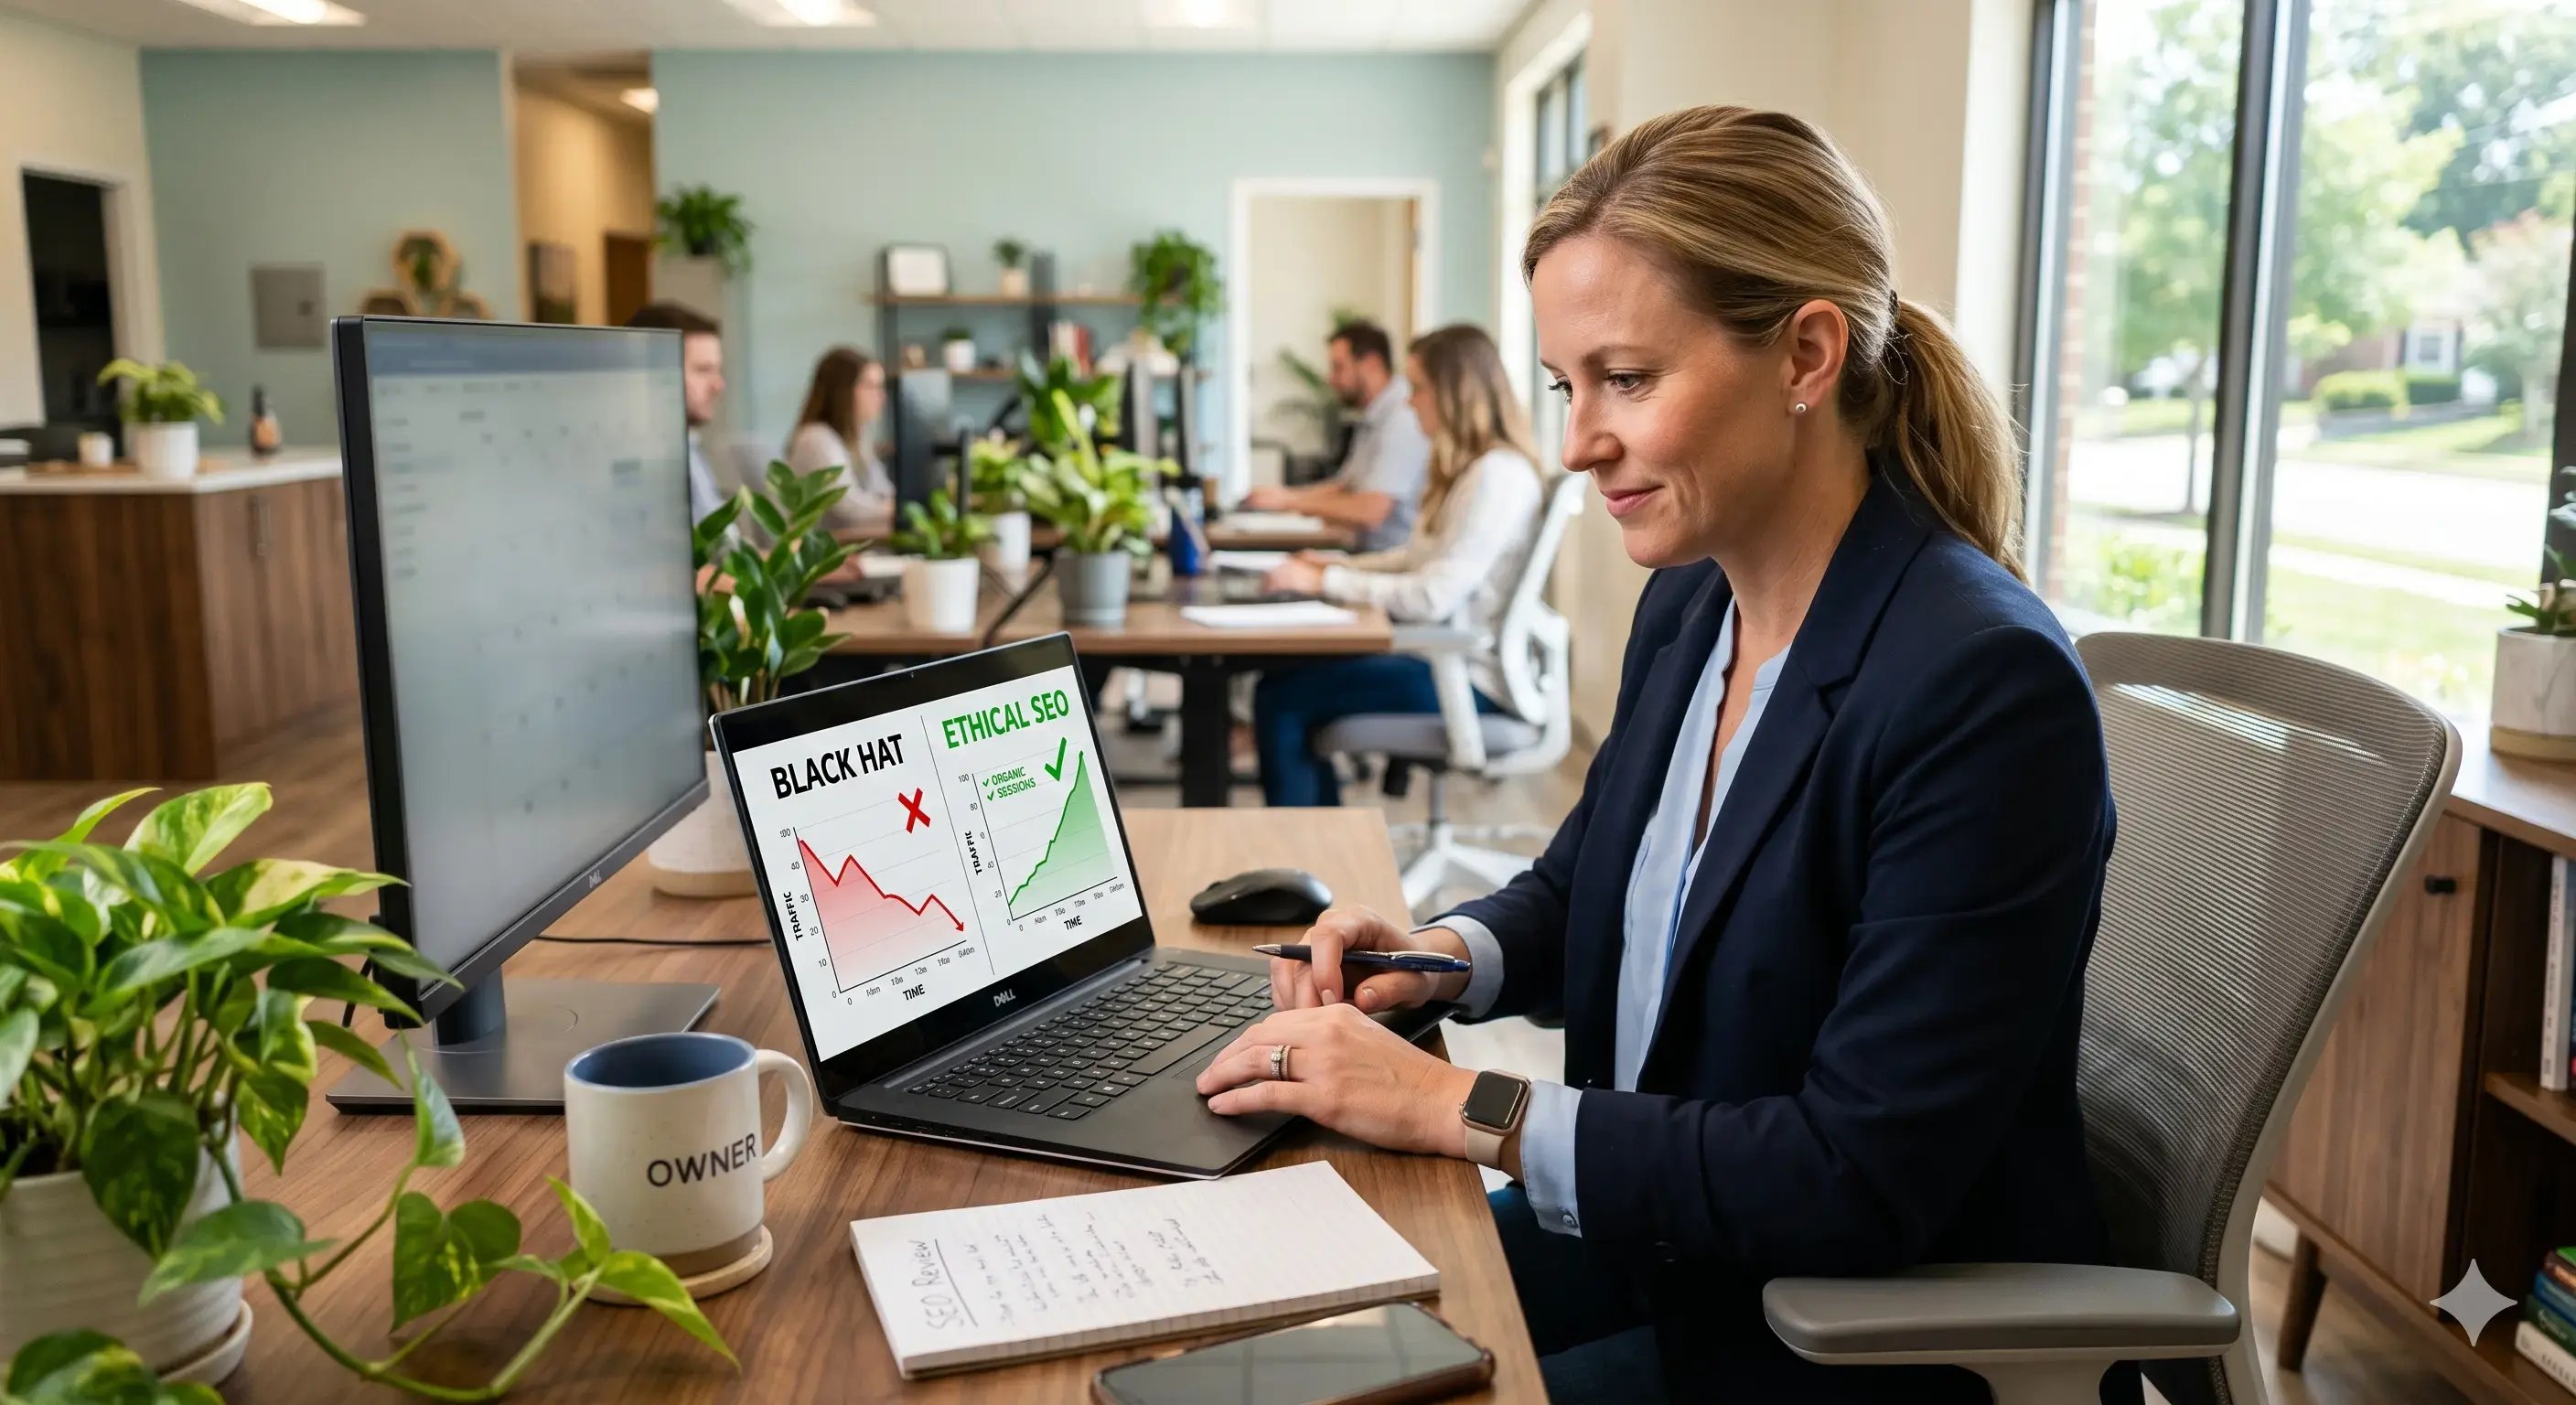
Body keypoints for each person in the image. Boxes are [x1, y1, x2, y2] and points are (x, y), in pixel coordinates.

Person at [1197, 106, 2133, 1405]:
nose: (1578, 442)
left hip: (1835, 1332)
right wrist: (1436, 964)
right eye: (1567, 387)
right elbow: (1590, 887)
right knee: (1241, 1362)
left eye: (1626, 380)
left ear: (1806, 354)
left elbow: (1854, 1177)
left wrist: (1452, 1111)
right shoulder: (1696, 601)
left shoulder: (1981, 687)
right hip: (1676, 1240)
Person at [1249, 325, 1547, 807]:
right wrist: (1334, 568)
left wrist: (1329, 580)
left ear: (1454, 393)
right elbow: (1416, 561)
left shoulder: (1497, 477)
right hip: (1445, 661)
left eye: (1419, 389)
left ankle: (1306, 860)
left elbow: (1433, 596)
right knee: (1287, 679)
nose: (1409, 404)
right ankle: (1316, 857)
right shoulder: (1473, 470)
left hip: (1469, 681)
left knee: (1282, 698)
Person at [1240, 320, 1430, 552]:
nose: (1331, 379)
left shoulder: (1403, 418)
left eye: (1339, 367)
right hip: (1364, 553)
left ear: (1371, 365)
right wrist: (1283, 496)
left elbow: (1371, 510)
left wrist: (1290, 501)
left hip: (1388, 559)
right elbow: (1346, 486)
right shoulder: (1374, 415)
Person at [625, 302, 727, 524]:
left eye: (717, 370)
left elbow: (723, 547)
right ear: (651, 373)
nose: (718, 385)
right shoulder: (637, 464)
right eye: (703, 370)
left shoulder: (687, 446)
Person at [784, 346, 895, 536]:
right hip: (820, 557)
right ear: (842, 391)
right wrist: (901, 510)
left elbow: (884, 492)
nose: (881, 397)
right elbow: (848, 508)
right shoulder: (815, 440)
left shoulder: (857, 440)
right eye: (870, 386)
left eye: (880, 386)